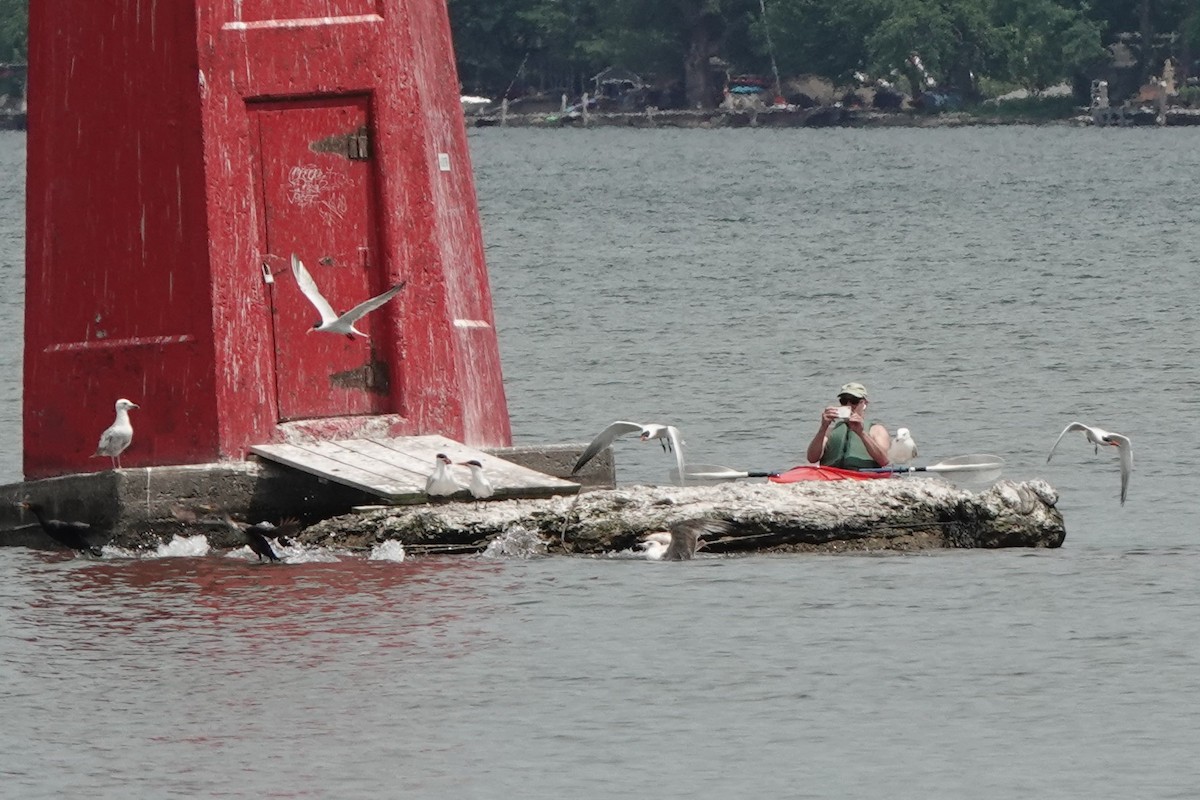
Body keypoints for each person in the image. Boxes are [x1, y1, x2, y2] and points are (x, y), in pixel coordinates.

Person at [805, 382, 892, 469]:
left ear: (865, 404)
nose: (848, 405)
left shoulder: (877, 430)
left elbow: (884, 461)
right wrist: (823, 427)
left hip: (862, 475)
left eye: (854, 401)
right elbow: (812, 459)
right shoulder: (829, 432)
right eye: (844, 401)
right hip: (832, 475)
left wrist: (861, 433)